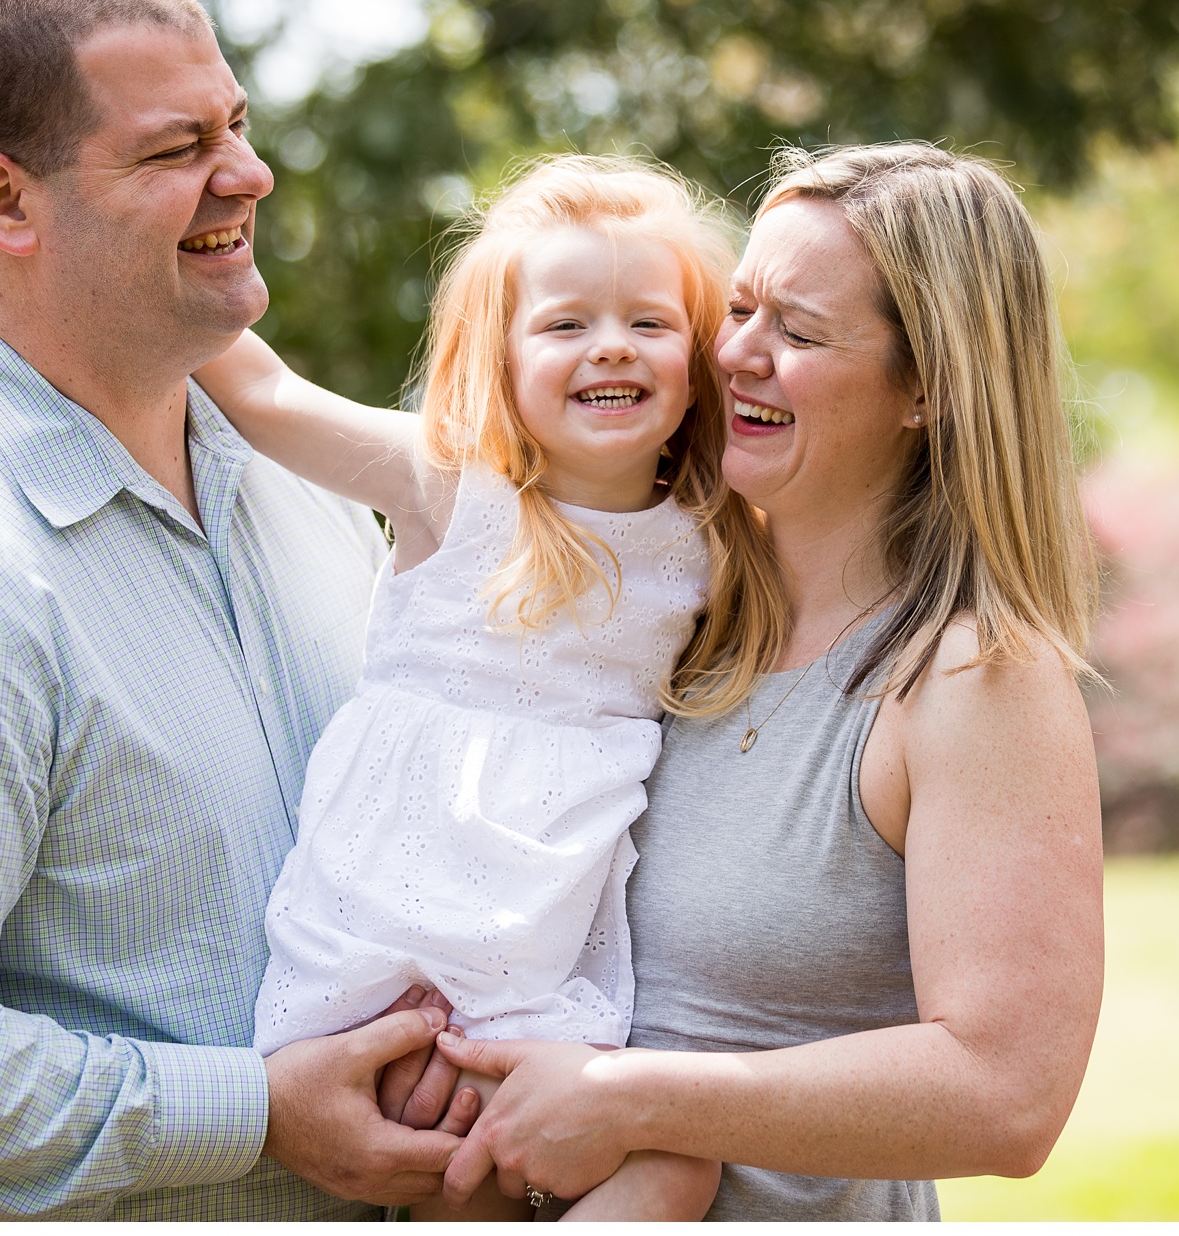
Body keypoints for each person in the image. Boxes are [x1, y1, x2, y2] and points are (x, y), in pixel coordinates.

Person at [0, 0, 472, 1220]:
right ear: (5, 202)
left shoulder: (300, 477)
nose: (247, 174)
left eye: (235, 123)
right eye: (173, 148)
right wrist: (259, 1111)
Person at [430, 142, 1108, 1220]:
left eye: (795, 330)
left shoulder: (968, 677)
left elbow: (1006, 1093)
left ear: (926, 385)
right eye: (737, 308)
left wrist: (627, 1099)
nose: (738, 352)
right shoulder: (657, 613)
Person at [191, 155, 784, 1220]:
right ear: (497, 359)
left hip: (537, 942)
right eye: (563, 324)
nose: (609, 343)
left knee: (665, 1161)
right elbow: (267, 395)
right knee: (473, 1166)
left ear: (697, 364)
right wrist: (175, 260)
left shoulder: (708, 542)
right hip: (383, 939)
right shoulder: (447, 486)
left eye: (648, 323)